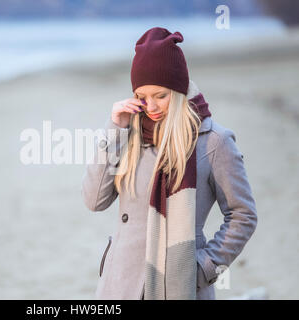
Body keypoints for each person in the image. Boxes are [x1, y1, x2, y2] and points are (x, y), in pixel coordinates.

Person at [81, 27, 258, 300]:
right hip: (120, 285)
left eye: (160, 95)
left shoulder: (214, 143)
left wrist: (204, 268)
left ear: (179, 90)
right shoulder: (130, 134)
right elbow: (94, 200)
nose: (150, 106)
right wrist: (114, 129)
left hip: (180, 285)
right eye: (142, 97)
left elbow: (243, 215)